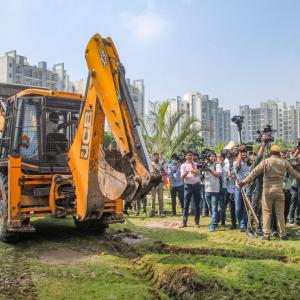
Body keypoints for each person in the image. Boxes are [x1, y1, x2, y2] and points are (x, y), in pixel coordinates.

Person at [239, 145, 300, 240]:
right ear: (279, 153)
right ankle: (282, 234)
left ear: (271, 152)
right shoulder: (284, 162)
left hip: (267, 191)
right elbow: (295, 174)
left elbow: (254, 173)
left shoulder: (266, 161)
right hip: (279, 190)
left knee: (267, 212)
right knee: (280, 213)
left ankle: (266, 234)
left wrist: (243, 182)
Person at [180, 151, 201, 228]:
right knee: (186, 205)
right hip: (188, 186)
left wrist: (196, 172)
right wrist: (187, 171)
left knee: (197, 204)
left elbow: (200, 174)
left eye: (191, 155)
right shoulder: (183, 165)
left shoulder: (196, 164)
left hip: (196, 185)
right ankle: (184, 222)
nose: (190, 157)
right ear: (186, 156)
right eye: (188, 155)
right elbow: (182, 177)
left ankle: (197, 222)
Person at [233, 146, 251, 232]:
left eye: (244, 153)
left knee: (245, 208)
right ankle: (240, 222)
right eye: (240, 154)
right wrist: (240, 151)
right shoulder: (235, 163)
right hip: (238, 188)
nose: (243, 155)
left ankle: (243, 224)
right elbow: (237, 166)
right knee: (238, 208)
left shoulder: (249, 164)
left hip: (247, 188)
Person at [204, 152, 222, 232]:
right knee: (211, 208)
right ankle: (215, 220)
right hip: (207, 189)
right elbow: (203, 176)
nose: (213, 157)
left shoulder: (217, 165)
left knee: (214, 208)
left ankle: (213, 225)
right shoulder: (205, 165)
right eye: (211, 156)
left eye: (214, 156)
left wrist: (210, 170)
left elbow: (218, 174)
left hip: (215, 190)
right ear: (208, 157)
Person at [150, 153, 165, 217]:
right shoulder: (150, 165)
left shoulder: (161, 165)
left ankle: (161, 211)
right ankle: (152, 211)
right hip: (153, 183)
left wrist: (158, 171)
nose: (156, 158)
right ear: (152, 158)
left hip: (160, 182)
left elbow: (163, 173)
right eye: (154, 157)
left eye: (157, 156)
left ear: (159, 157)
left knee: (160, 198)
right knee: (152, 198)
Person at [225, 151, 237, 229]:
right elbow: (223, 178)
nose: (230, 160)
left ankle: (239, 223)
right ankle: (233, 223)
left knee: (237, 208)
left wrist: (234, 175)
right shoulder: (226, 166)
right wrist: (228, 177)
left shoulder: (237, 165)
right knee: (230, 208)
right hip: (228, 189)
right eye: (229, 158)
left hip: (236, 188)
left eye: (231, 158)